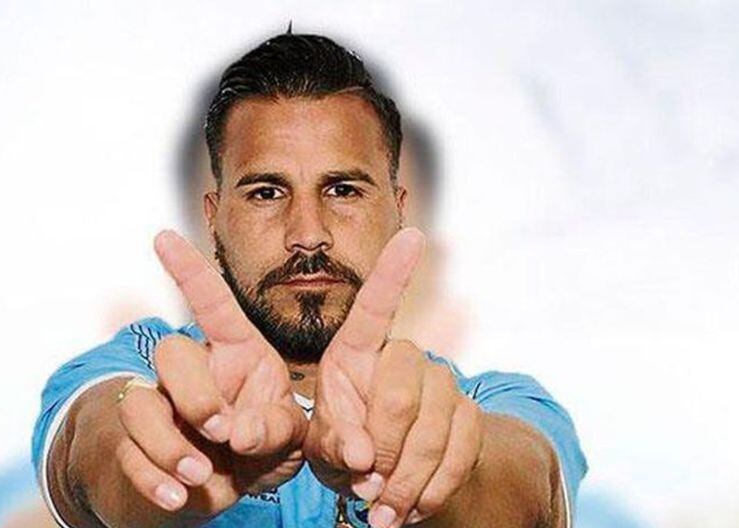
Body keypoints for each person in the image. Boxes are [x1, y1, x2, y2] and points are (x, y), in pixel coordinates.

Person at [32, 32, 586, 528]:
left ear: (398, 211)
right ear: (214, 218)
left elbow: (525, 488)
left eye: (343, 190)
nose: (308, 234)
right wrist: (177, 461)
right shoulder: (139, 369)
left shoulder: (491, 404)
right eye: (266, 192)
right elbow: (92, 450)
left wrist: (431, 479)